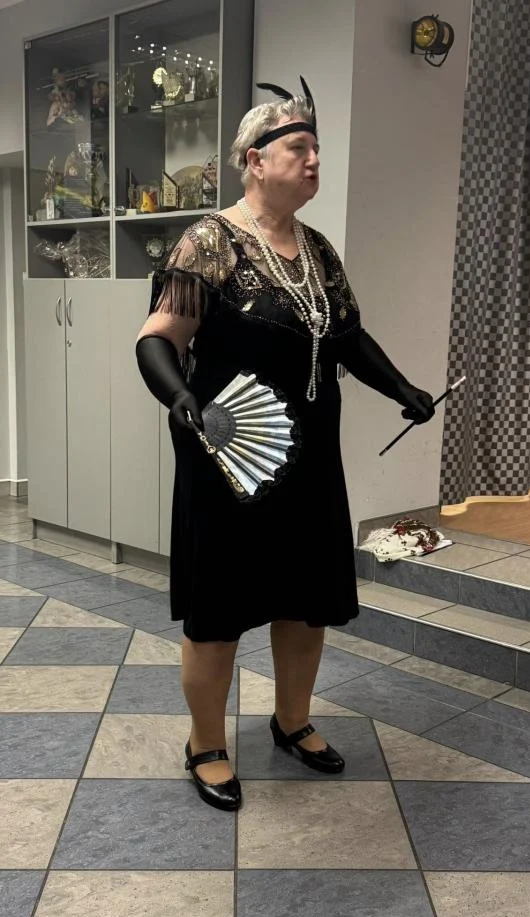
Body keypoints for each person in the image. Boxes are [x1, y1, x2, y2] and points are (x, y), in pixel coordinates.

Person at [136, 78, 434, 813]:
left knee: (305, 601)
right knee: (220, 609)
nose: (313, 161)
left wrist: (402, 388)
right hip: (230, 458)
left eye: (316, 150)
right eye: (299, 147)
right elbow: (157, 339)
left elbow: (348, 338)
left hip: (310, 458)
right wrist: (179, 397)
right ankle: (206, 744)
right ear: (254, 159)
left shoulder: (318, 250)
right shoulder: (209, 241)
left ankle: (292, 720)